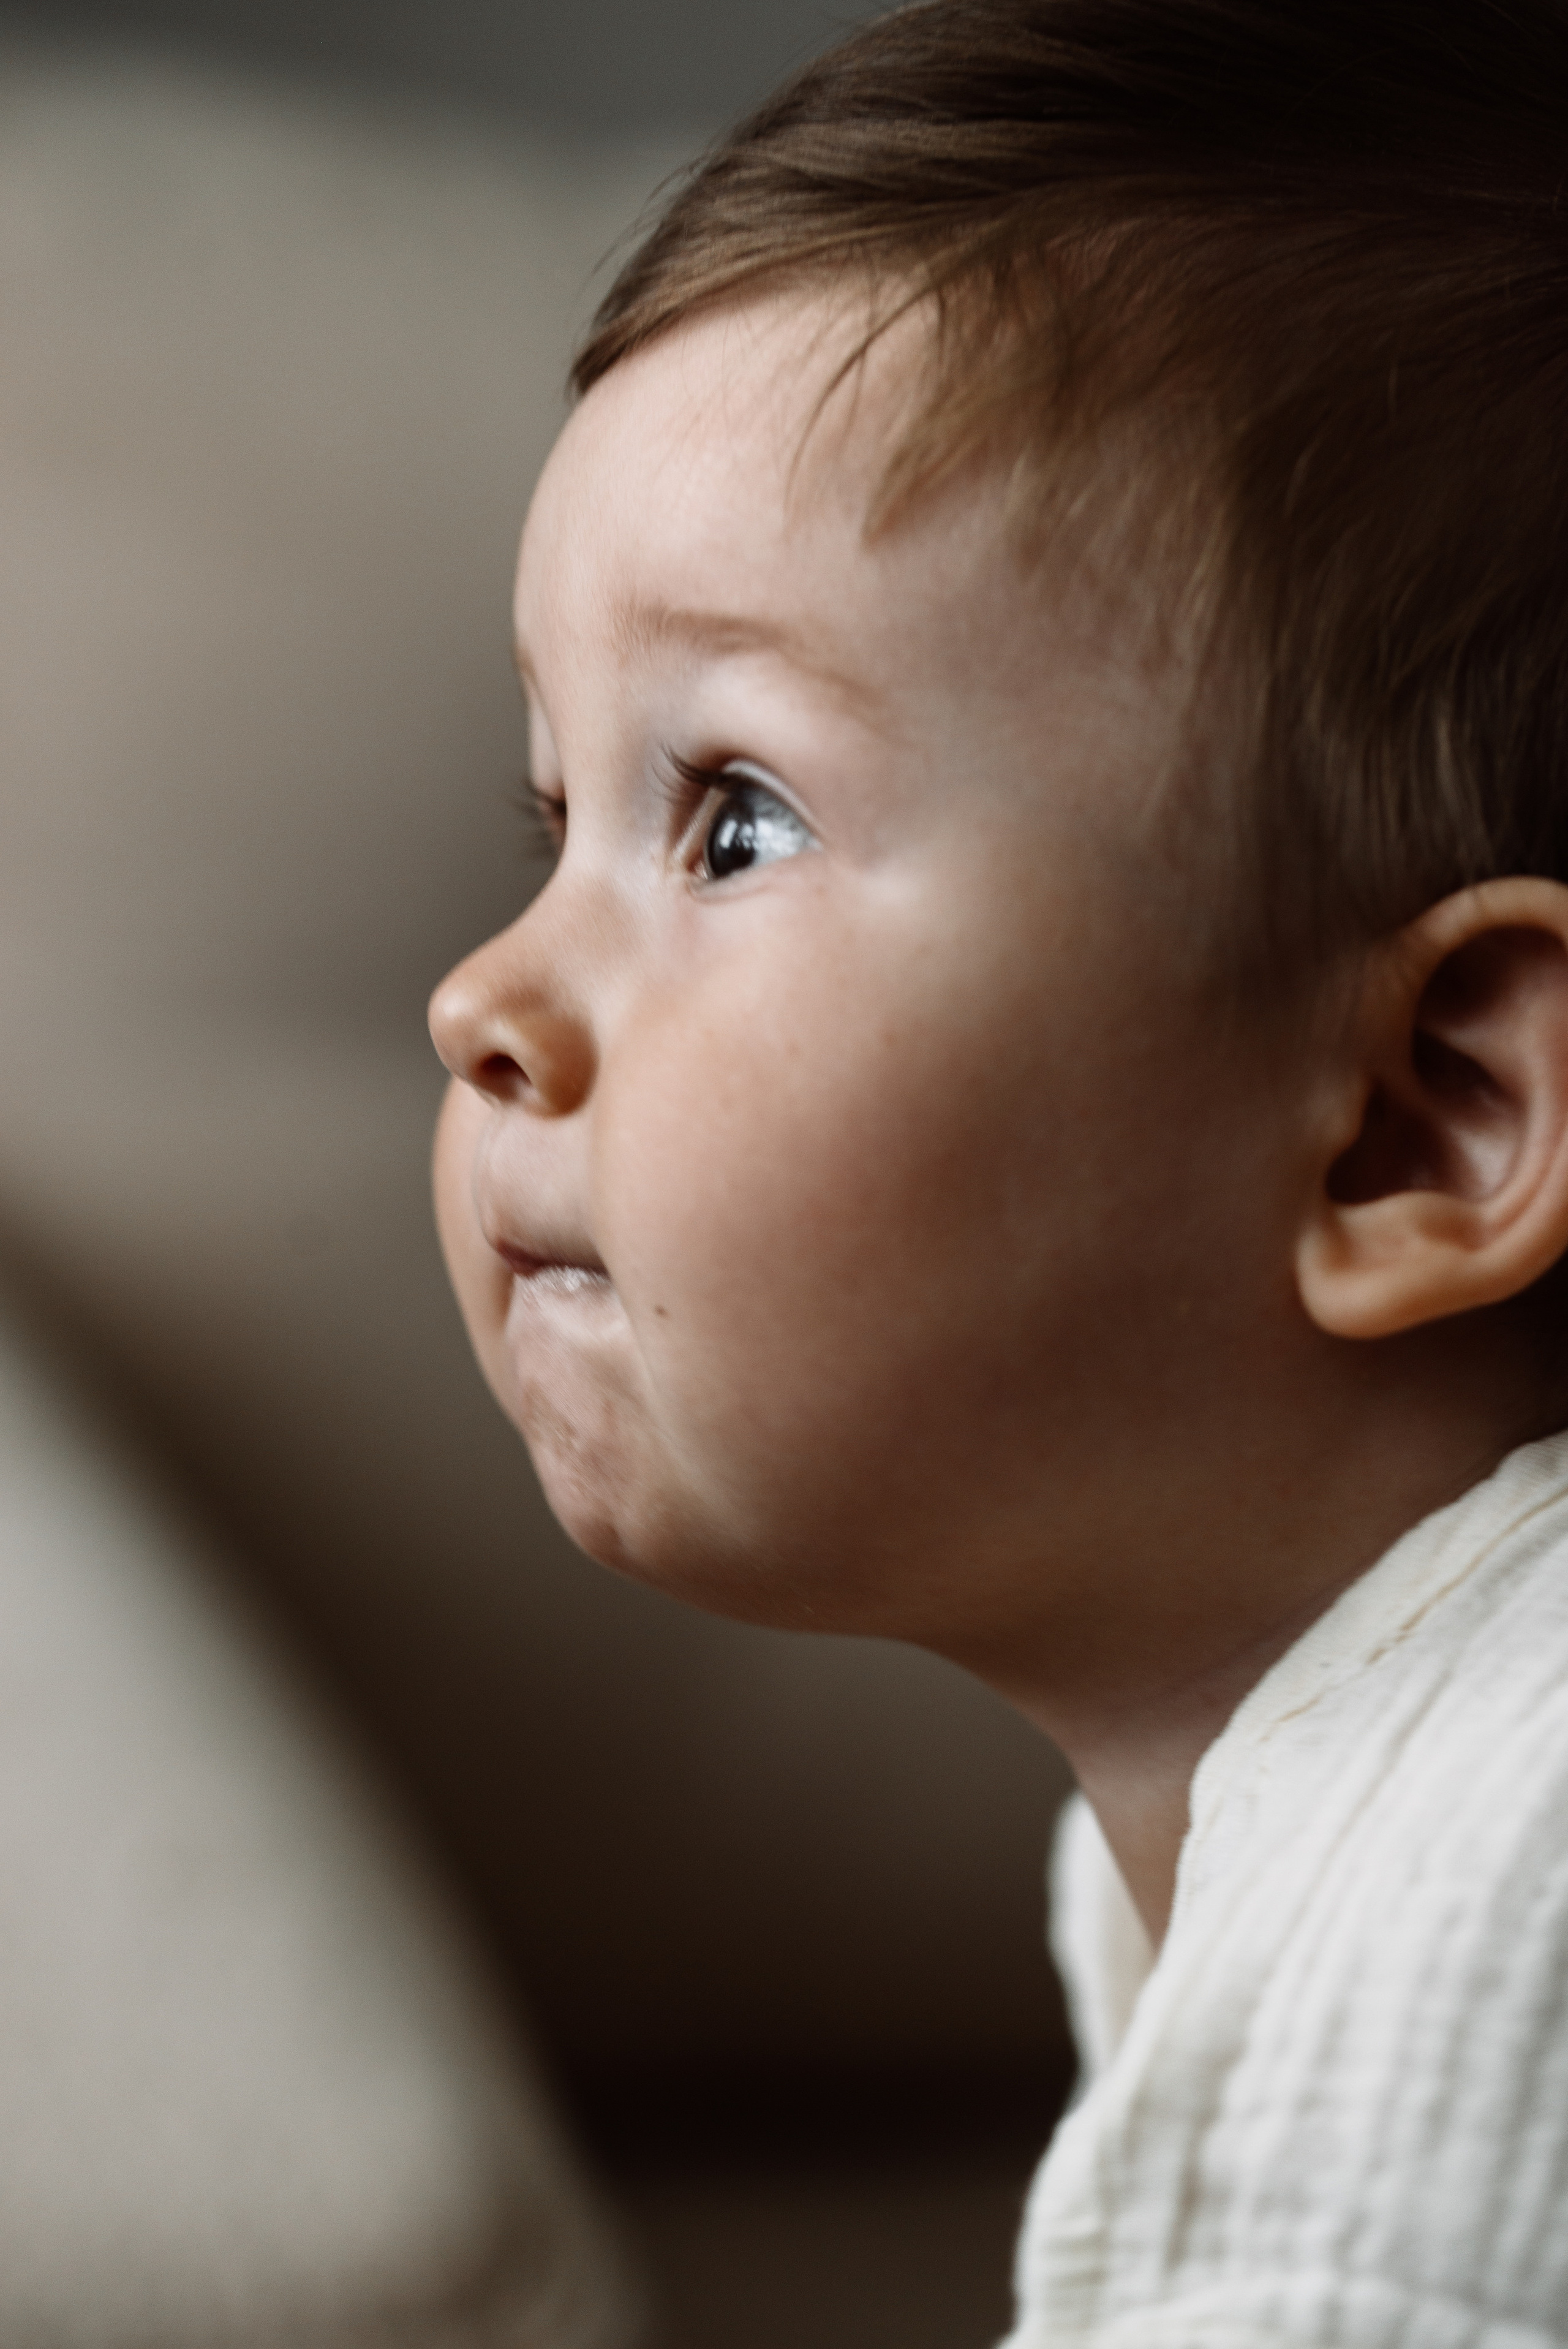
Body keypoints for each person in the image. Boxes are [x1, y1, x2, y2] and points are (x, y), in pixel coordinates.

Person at [426, 0, 1568, 2336]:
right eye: (560, 816)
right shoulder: (1243, 1797)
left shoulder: (1504, 1875)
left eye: (730, 817)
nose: (480, 1000)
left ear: (1419, 1117)